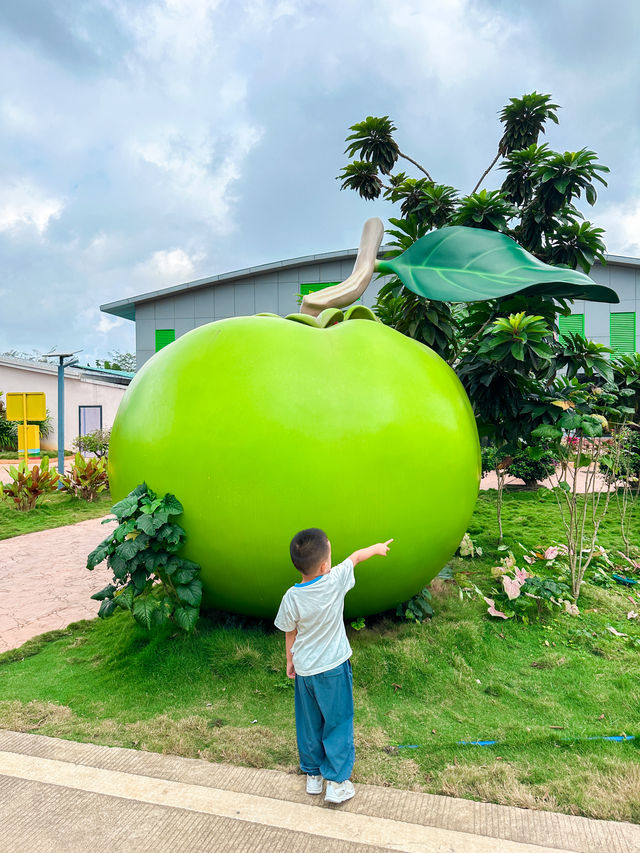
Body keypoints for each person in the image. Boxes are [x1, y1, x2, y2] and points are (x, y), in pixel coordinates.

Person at [274, 528, 393, 804]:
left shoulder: (291, 597)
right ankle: (337, 783)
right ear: (325, 565)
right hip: (334, 669)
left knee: (310, 722)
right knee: (337, 721)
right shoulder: (334, 580)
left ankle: (314, 776)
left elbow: (289, 632)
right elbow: (355, 558)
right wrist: (377, 547)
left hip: (305, 670)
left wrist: (290, 660)